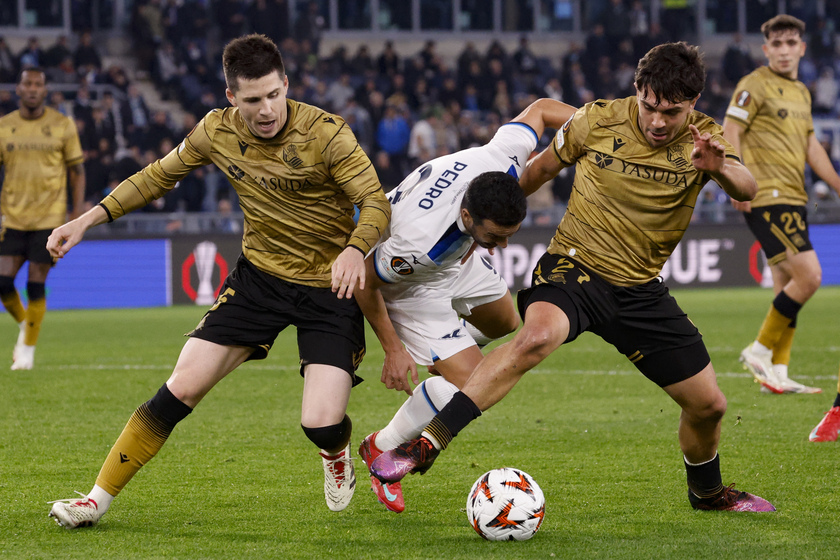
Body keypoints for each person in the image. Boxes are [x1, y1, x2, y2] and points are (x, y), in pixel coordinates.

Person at [370, 42, 777, 513]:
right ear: (637, 91)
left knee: (710, 406)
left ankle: (707, 494)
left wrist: (719, 168)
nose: (658, 121)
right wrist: (472, 233)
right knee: (536, 337)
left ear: (694, 103)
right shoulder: (596, 121)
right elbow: (535, 173)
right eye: (649, 106)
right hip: (573, 266)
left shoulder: (705, 138)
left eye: (672, 111)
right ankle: (427, 444)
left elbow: (748, 186)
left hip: (640, 289)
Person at [46, 34, 390, 529]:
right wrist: (86, 220)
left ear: (286, 83)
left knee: (320, 423)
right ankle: (96, 500)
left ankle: (336, 452)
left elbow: (377, 203)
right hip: (259, 281)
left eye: (274, 94)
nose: (267, 109)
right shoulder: (215, 131)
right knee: (180, 386)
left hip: (328, 288)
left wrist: (356, 249)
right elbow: (156, 177)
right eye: (253, 99)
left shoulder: (328, 133)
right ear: (232, 97)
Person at [354, 98, 576, 513]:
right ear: (469, 214)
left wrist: (601, 128)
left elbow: (543, 109)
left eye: (510, 234)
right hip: (413, 286)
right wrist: (393, 348)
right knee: (475, 383)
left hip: (461, 257)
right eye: (496, 236)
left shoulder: (502, 157)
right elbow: (365, 279)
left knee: (508, 319)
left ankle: (446, 352)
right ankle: (379, 447)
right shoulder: (417, 245)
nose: (505, 245)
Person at [723, 15, 840, 395]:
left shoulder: (803, 92)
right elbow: (731, 130)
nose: (785, 50)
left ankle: (778, 372)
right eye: (777, 44)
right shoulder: (754, 84)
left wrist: (837, 184)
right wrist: (735, 179)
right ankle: (759, 349)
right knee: (810, 276)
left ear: (802, 48)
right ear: (766, 49)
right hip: (766, 194)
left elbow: (811, 149)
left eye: (792, 43)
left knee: (786, 283)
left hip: (794, 196)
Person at [0, 67, 85, 370]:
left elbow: (77, 173)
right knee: (3, 282)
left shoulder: (62, 125)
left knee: (35, 285)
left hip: (49, 219)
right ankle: (28, 326)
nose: (33, 89)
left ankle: (27, 350)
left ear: (45, 90)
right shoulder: (4, 127)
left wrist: (75, 216)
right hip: (12, 218)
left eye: (38, 84)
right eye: (28, 84)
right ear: (19, 89)